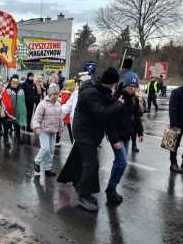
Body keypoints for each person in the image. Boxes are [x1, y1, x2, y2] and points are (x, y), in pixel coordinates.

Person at [57, 67, 123, 211]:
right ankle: (83, 195)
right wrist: (118, 104)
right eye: (113, 85)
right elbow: (101, 112)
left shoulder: (98, 89)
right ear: (109, 82)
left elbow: (105, 101)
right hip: (84, 132)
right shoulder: (90, 93)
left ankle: (80, 185)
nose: (113, 87)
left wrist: (116, 95)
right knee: (91, 164)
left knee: (81, 161)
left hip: (90, 132)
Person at [106, 72, 144, 205]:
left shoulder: (134, 99)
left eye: (135, 86)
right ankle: (111, 189)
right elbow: (110, 120)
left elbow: (136, 117)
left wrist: (140, 132)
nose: (134, 89)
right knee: (122, 162)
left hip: (127, 135)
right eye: (131, 86)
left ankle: (112, 188)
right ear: (126, 85)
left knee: (119, 162)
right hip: (117, 137)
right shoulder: (117, 97)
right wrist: (115, 139)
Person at [32, 83, 63, 177]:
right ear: (49, 94)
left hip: (53, 131)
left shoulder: (58, 104)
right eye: (53, 94)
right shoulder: (42, 104)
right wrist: (37, 127)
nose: (55, 96)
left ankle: (47, 169)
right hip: (43, 130)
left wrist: (60, 129)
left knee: (51, 151)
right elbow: (36, 117)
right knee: (45, 148)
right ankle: (37, 161)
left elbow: (60, 118)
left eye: (57, 94)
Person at [7, 77, 27, 144]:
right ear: (11, 83)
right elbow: (6, 101)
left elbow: (23, 101)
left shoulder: (21, 91)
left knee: (17, 125)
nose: (14, 84)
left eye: (16, 83)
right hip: (10, 110)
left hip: (18, 110)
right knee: (8, 124)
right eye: (13, 82)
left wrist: (24, 109)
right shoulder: (9, 90)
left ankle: (18, 138)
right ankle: (6, 139)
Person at [56, 79, 76, 146]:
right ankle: (72, 141)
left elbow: (63, 102)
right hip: (67, 113)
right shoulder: (70, 93)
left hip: (65, 112)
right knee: (70, 129)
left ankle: (57, 141)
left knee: (61, 128)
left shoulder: (65, 93)